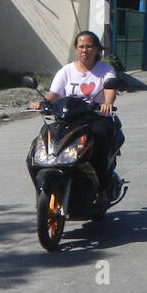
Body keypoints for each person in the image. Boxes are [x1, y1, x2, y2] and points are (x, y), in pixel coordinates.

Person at [31, 30, 123, 186]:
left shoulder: (105, 70)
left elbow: (109, 89)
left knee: (100, 142)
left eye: (89, 46)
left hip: (96, 118)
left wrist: (107, 103)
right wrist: (41, 102)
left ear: (97, 50)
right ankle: (43, 187)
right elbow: (54, 93)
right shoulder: (66, 71)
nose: (84, 50)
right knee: (43, 143)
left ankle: (101, 186)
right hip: (68, 119)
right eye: (81, 46)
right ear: (76, 49)